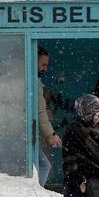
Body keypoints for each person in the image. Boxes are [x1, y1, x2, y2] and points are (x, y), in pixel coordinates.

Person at [37, 48, 63, 187]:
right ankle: (35, 195)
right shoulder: (34, 83)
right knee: (44, 166)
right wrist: (50, 134)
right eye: (44, 64)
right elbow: (40, 112)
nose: (45, 68)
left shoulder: (34, 81)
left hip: (21, 132)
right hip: (23, 133)